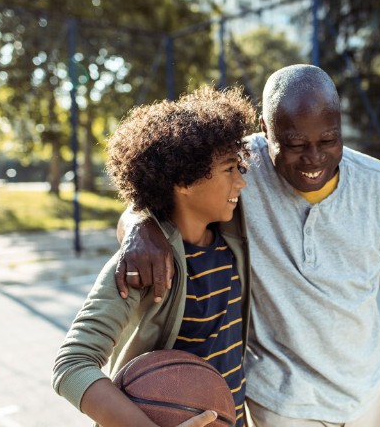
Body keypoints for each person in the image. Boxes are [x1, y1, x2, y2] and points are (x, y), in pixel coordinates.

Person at [114, 65, 380, 427]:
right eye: (295, 144)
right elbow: (157, 197)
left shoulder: (378, 185)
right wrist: (140, 226)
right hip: (280, 401)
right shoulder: (237, 171)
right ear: (265, 130)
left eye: (329, 140)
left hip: (364, 392)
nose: (314, 159)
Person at [52, 85, 256, 427]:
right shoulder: (142, 265)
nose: (242, 182)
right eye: (228, 170)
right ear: (184, 181)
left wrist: (137, 219)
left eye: (240, 168)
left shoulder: (232, 235)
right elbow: (72, 365)